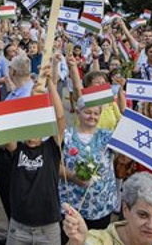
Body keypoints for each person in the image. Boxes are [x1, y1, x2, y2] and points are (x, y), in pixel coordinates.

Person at [3, 67, 66, 245]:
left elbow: (60, 117)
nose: (32, 134)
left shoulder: (51, 149)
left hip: (49, 228)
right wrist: (31, 98)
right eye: (28, 126)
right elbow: (9, 127)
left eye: (37, 127)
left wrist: (51, 84)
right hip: (19, 227)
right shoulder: (17, 149)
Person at [62, 172, 152, 245]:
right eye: (143, 215)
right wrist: (76, 243)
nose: (151, 225)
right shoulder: (97, 240)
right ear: (125, 210)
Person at [60, 99, 116, 237]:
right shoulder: (66, 136)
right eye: (88, 112)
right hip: (72, 205)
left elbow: (124, 156)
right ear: (78, 112)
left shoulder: (107, 136)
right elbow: (55, 165)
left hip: (101, 205)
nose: (92, 116)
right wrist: (73, 176)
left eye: (96, 113)